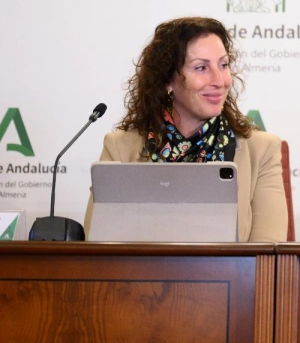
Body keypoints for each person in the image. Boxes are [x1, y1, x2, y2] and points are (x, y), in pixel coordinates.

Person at [84, 17, 288, 242]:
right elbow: (98, 248)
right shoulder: (119, 149)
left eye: (223, 65)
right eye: (201, 68)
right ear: (167, 81)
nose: (219, 80)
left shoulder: (261, 150)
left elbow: (267, 254)